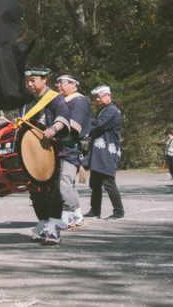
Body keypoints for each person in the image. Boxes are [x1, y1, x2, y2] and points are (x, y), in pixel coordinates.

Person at [18, 65, 71, 246]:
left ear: (44, 80)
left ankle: (54, 226)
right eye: (27, 81)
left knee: (52, 189)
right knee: (34, 190)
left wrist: (54, 128)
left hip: (52, 151)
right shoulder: (26, 100)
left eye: (33, 80)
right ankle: (42, 222)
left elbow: (63, 117)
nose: (30, 84)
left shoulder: (55, 98)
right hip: (31, 153)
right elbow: (19, 120)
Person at [85, 86, 125, 220]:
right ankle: (95, 210)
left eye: (100, 97)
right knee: (95, 183)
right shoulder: (104, 110)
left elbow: (98, 124)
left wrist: (80, 123)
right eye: (96, 97)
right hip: (99, 151)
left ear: (109, 95)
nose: (97, 100)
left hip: (107, 151)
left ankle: (119, 211)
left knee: (108, 182)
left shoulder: (112, 110)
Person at [56, 73, 91, 229]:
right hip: (65, 146)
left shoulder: (79, 101)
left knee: (64, 184)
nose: (58, 85)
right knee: (67, 184)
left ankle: (67, 218)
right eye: (57, 82)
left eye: (61, 82)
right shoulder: (66, 100)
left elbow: (74, 128)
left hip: (69, 146)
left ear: (73, 85)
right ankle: (77, 217)